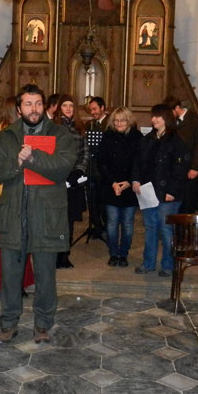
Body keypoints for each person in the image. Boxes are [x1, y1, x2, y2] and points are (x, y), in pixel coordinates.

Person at [0, 83, 76, 344]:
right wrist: (17, 162)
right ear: (19, 108)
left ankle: (43, 324)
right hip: (13, 215)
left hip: (46, 215)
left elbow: (63, 166)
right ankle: (8, 322)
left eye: (37, 104)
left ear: (44, 106)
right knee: (11, 275)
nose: (33, 109)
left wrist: (34, 159)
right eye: (28, 104)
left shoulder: (60, 134)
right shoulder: (6, 136)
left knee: (45, 275)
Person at [0, 96, 35, 293]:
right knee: (6, 244)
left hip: (18, 192)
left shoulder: (24, 131)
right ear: (17, 111)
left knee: (20, 242)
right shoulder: (0, 133)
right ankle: (10, 284)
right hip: (4, 194)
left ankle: (18, 282)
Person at [132, 103, 190, 277]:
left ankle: (168, 265)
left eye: (158, 116)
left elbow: (180, 168)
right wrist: (136, 180)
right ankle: (148, 263)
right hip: (148, 191)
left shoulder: (176, 140)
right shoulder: (147, 139)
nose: (154, 119)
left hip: (168, 193)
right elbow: (138, 161)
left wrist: (172, 190)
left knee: (166, 230)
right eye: (153, 116)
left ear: (166, 118)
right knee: (150, 228)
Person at [98, 106, 141, 267]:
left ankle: (123, 254)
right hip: (112, 186)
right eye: (116, 120)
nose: (118, 123)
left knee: (128, 224)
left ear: (128, 121)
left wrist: (129, 182)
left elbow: (140, 163)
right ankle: (113, 253)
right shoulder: (108, 136)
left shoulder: (137, 137)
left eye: (122, 120)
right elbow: (101, 162)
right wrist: (113, 183)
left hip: (129, 186)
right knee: (112, 223)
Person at [53, 95, 89, 269]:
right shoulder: (52, 127)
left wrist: (79, 170)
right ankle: (55, 254)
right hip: (57, 179)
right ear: (59, 108)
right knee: (56, 220)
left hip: (74, 179)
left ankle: (65, 254)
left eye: (71, 106)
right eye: (65, 105)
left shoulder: (79, 128)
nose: (68, 109)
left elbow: (85, 152)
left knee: (69, 220)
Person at [164, 96, 198, 213]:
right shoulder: (172, 122)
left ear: (177, 108)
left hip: (190, 168)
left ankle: (186, 223)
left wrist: (195, 167)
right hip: (176, 169)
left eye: (170, 112)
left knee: (188, 202)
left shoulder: (196, 120)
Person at [85, 96, 108, 240]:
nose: (92, 112)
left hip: (104, 169)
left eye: (94, 109)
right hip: (91, 168)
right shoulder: (90, 125)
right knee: (92, 199)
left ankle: (106, 226)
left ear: (102, 108)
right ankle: (96, 226)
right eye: (91, 110)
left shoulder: (110, 124)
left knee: (103, 200)